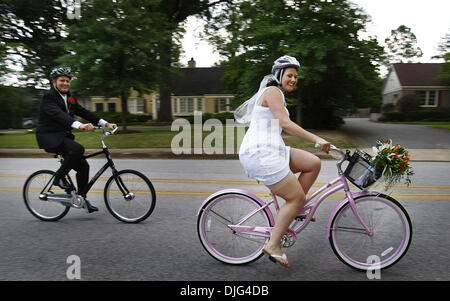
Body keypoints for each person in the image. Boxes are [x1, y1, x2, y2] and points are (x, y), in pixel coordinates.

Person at [236, 55, 331, 267]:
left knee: (313, 164)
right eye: (290, 75)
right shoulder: (272, 91)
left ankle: (295, 208)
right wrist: (317, 139)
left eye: (296, 76)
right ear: (279, 75)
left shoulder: (276, 93)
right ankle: (273, 245)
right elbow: (285, 123)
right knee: (295, 198)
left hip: (273, 150)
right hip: (260, 154)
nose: (294, 79)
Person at [36, 67, 117, 213]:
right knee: (77, 149)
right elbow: (60, 116)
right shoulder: (49, 97)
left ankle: (81, 199)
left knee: (84, 167)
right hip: (49, 137)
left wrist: (106, 123)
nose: (65, 83)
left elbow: (83, 112)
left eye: (67, 81)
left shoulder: (70, 97)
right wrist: (81, 125)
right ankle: (58, 178)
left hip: (62, 137)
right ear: (54, 82)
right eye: (62, 81)